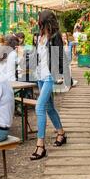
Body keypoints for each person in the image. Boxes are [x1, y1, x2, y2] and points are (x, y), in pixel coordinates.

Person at [31, 10, 67, 160]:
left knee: (39, 107)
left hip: (49, 76)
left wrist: (60, 75)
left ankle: (40, 145)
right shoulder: (40, 36)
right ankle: (61, 133)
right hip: (40, 74)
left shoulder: (55, 36)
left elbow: (59, 56)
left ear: (45, 21)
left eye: (40, 20)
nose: (38, 22)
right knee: (49, 107)